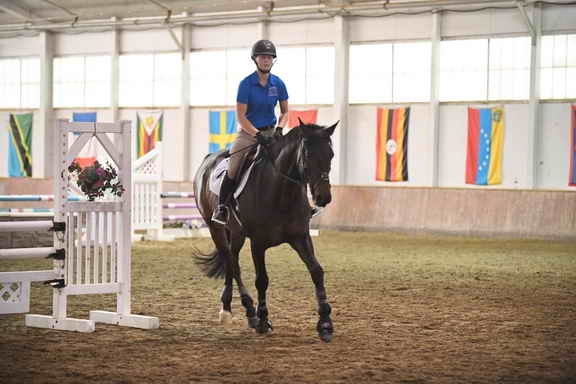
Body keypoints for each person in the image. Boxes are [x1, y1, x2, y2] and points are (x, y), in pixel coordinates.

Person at [212, 39, 289, 225]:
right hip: (248, 133)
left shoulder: (278, 83)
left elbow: (285, 112)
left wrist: (279, 129)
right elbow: (241, 117)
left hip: (271, 133)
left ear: (273, 60)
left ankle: (300, 205)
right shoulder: (246, 84)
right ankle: (222, 208)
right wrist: (256, 134)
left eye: (269, 57)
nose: (266, 60)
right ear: (255, 59)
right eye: (262, 57)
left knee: (293, 160)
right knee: (234, 164)